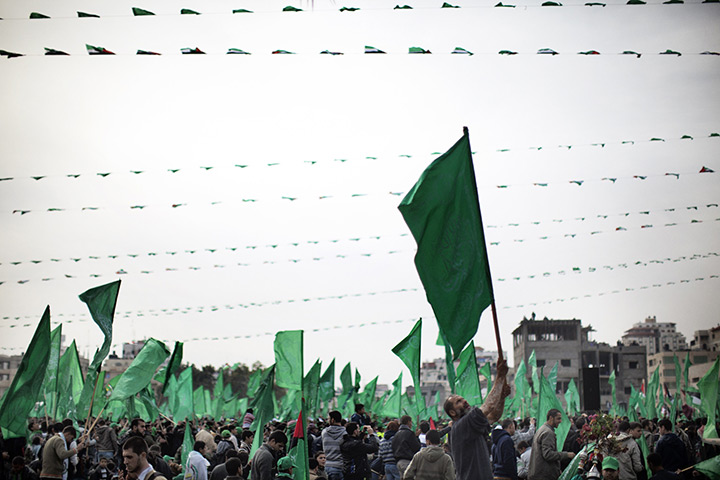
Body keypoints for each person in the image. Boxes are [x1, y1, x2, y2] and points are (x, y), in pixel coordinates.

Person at [444, 357, 511, 480]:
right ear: (452, 412)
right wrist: (500, 377)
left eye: (462, 398)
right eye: (458, 401)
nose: (464, 401)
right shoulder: (461, 425)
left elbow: (493, 416)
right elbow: (488, 406)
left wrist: (501, 397)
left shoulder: (471, 426)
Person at [527, 409, 575, 480]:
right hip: (543, 476)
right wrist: (567, 455)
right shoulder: (548, 432)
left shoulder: (542, 429)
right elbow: (548, 455)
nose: (560, 421)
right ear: (551, 418)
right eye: (558, 418)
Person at [321, 411, 346, 480]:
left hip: (327, 466)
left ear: (332, 420)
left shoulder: (324, 432)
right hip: (340, 465)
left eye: (328, 419)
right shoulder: (345, 433)